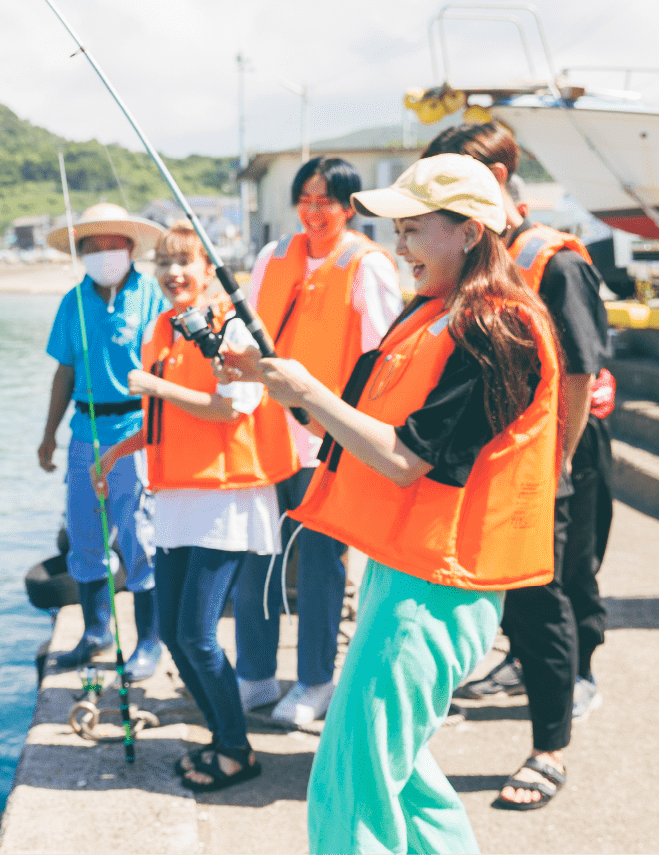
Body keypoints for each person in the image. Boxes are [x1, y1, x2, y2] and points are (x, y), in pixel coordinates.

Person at [221, 154, 564, 853]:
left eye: (412, 228)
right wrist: (282, 384)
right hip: (402, 571)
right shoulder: (433, 313)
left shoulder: (500, 329)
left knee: (353, 776)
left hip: (440, 584)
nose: (397, 244)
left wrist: (311, 393)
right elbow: (359, 425)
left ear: (470, 232)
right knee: (399, 776)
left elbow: (409, 458)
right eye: (396, 228)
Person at [424, 122, 615, 812]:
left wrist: (557, 464)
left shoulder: (550, 259)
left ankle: (550, 742)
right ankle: (524, 670)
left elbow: (579, 371)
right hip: (496, 455)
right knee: (510, 588)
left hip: (557, 449)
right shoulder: (475, 255)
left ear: (496, 182)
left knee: (549, 590)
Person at [91, 222, 299, 792]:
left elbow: (234, 408)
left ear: (209, 268)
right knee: (179, 638)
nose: (173, 273)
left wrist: (154, 388)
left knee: (198, 634)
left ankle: (237, 749)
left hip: (226, 499)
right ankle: (220, 738)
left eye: (185, 261)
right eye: (164, 262)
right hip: (179, 496)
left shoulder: (229, 325)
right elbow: (167, 421)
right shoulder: (161, 327)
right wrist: (115, 453)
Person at [232, 157, 403, 726]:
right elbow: (247, 324)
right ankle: (254, 675)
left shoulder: (367, 265)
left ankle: (315, 681)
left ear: (350, 207)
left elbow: (384, 361)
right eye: (305, 198)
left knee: (322, 563)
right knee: (259, 553)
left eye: (326, 200)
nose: (313, 210)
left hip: (326, 441)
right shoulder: (272, 256)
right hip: (264, 434)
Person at [38, 202, 170, 680]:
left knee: (140, 537)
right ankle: (96, 633)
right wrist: (49, 435)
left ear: (131, 247)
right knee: (85, 535)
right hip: (83, 432)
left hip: (135, 432)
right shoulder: (72, 302)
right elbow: (64, 370)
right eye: (91, 247)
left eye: (112, 244)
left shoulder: (152, 296)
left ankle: (149, 641)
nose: (103, 253)